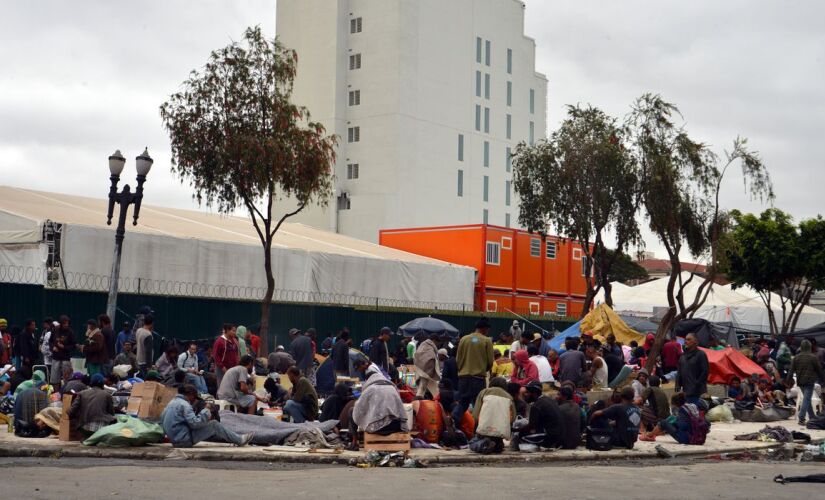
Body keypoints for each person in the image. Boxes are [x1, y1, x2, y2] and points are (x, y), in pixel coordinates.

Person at [161, 384, 252, 447]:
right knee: (214, 424)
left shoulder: (170, 404)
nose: (194, 401)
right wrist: (206, 410)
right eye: (194, 397)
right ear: (190, 394)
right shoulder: (184, 405)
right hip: (184, 440)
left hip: (175, 440)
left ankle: (237, 439)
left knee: (209, 423)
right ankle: (239, 440)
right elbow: (195, 423)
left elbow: (163, 421)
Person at [453, 318, 495, 422]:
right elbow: (490, 361)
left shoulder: (464, 339)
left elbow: (458, 359)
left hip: (463, 378)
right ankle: (477, 429)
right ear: (485, 329)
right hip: (478, 379)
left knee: (463, 402)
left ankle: (453, 420)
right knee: (479, 405)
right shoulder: (486, 340)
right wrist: (483, 369)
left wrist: (463, 369)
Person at [352, 368, 409, 435]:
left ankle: (354, 441)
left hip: (377, 428)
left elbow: (358, 409)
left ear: (368, 380)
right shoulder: (393, 388)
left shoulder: (370, 389)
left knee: (352, 411)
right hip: (396, 426)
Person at [640, 392, 707, 444]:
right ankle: (652, 434)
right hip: (699, 437)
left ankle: (649, 436)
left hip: (688, 439)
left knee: (663, 422)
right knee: (669, 421)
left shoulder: (682, 410)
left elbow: (683, 426)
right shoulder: (693, 406)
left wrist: (675, 423)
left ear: (675, 403)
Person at [472, 376, 515, 453]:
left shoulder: (484, 392)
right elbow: (513, 418)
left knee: (472, 443)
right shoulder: (509, 397)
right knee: (497, 443)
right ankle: (497, 445)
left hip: (484, 430)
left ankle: (485, 444)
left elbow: (475, 414)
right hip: (500, 433)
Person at [517, 380, 566, 449]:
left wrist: (518, 430)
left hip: (551, 438)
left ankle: (546, 445)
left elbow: (531, 426)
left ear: (534, 393)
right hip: (559, 437)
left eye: (527, 393)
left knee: (521, 436)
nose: (526, 395)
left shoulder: (537, 405)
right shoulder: (548, 400)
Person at [787, 339, 824, 426]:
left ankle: (812, 417)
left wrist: (788, 380)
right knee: (806, 399)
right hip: (810, 381)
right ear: (809, 347)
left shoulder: (796, 357)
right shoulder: (813, 357)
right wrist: (823, 379)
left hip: (800, 381)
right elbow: (819, 370)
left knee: (806, 399)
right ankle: (801, 418)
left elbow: (791, 370)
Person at [675, 333, 709, 407]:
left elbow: (705, 372)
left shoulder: (701, 354)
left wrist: (696, 384)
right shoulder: (682, 356)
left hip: (698, 393)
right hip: (686, 393)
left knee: (697, 415)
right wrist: (677, 384)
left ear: (695, 342)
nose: (686, 341)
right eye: (685, 339)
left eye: (689, 339)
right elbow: (679, 372)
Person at [49, 315, 75, 388]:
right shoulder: (55, 330)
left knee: (67, 378)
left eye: (67, 323)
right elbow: (50, 341)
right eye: (64, 323)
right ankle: (56, 395)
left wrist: (64, 347)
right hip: (56, 358)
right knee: (55, 379)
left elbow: (73, 345)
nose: (66, 325)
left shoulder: (70, 332)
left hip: (65, 358)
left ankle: (67, 394)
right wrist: (53, 347)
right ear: (61, 323)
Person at [413, 333, 441, 398]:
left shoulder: (423, 345)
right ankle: (418, 401)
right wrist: (430, 372)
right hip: (426, 371)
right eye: (437, 342)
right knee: (422, 388)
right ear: (434, 340)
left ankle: (421, 399)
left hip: (419, 369)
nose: (437, 344)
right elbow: (430, 359)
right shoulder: (429, 347)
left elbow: (416, 355)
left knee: (423, 388)